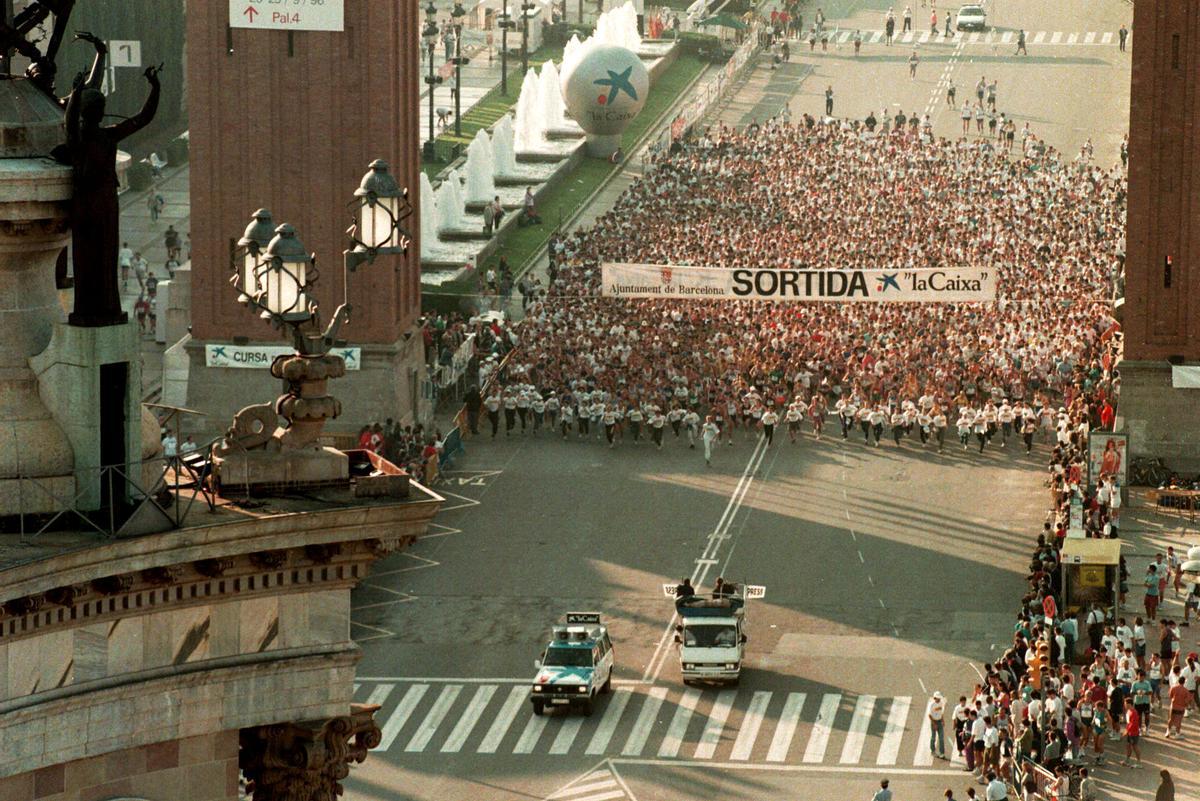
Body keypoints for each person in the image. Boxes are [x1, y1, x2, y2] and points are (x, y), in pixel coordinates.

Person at [927, 691, 947, 758]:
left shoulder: (941, 703)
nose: (939, 699)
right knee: (933, 737)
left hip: (939, 721)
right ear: (935, 698)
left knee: (941, 738)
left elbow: (941, 712)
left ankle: (942, 752)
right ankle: (933, 750)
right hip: (934, 722)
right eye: (938, 698)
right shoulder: (931, 705)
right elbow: (929, 715)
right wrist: (934, 723)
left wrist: (943, 720)